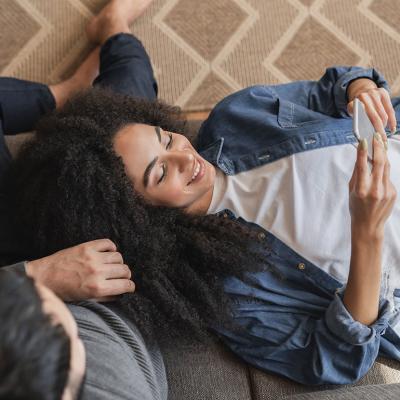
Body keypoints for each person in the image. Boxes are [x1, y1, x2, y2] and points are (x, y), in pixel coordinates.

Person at [6, 0, 400, 390]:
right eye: (160, 173)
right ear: (140, 215)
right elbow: (330, 358)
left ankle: (111, 31)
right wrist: (367, 232)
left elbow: (334, 88)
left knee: (129, 81)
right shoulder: (228, 288)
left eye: (167, 138)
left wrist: (360, 88)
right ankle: (92, 58)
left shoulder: (237, 116)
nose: (183, 157)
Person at [0, 1, 168, 399]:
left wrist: (35, 275)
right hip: (112, 271)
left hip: (16, 268)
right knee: (125, 138)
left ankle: (61, 94)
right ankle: (114, 28)